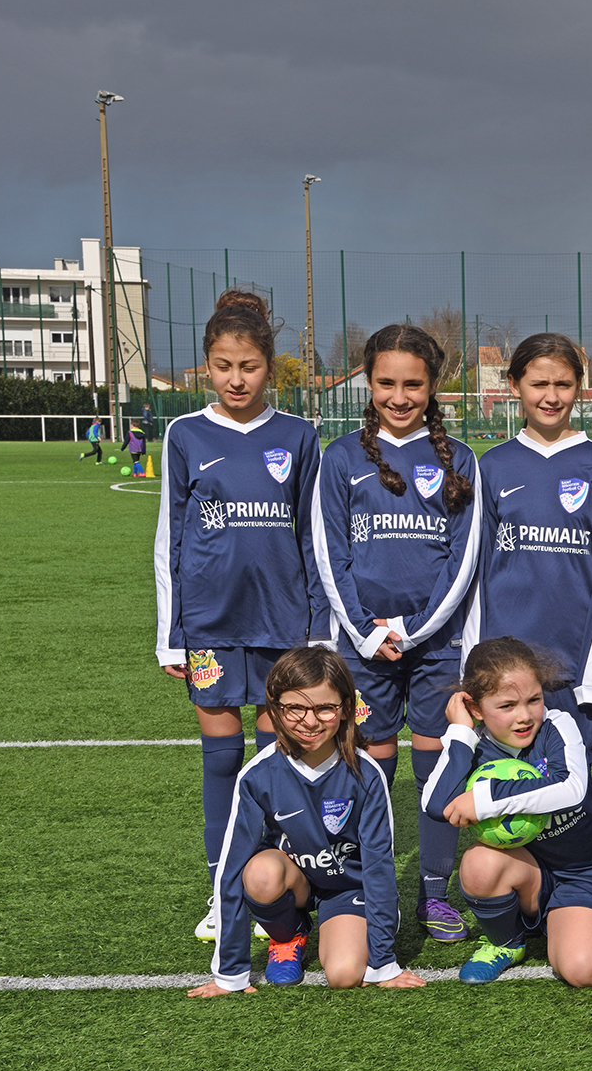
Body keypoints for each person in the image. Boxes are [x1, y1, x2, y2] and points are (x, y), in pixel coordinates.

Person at [154, 289, 323, 942]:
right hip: (210, 623)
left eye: (248, 366)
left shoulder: (298, 436)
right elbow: (170, 536)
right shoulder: (185, 434)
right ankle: (221, 887)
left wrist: (317, 632)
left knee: (272, 758)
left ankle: (270, 879)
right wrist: (170, 634)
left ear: (269, 367)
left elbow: (312, 540)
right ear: (206, 364)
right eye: (223, 365)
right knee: (220, 757)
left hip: (282, 623)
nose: (235, 378)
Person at [313, 324, 481, 944]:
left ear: (434, 386)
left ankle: (435, 893)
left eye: (414, 383)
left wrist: (415, 630)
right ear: (368, 381)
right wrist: (361, 631)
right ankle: (366, 885)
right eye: (387, 382)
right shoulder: (339, 458)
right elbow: (328, 553)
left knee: (438, 770)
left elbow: (464, 560)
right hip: (363, 646)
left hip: (437, 643)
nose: (400, 395)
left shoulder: (459, 459)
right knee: (372, 766)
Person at [189, 647, 427, 997]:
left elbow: (378, 868)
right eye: (295, 708)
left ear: (346, 708)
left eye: (324, 708)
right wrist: (230, 974)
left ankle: (340, 929)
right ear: (275, 709)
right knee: (259, 873)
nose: (310, 721)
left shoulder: (365, 775)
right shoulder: (257, 776)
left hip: (348, 888)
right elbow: (231, 870)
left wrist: (384, 963)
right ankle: (288, 935)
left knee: (345, 974)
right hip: (293, 879)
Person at [419, 637, 592, 987]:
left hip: (583, 873)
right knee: (479, 863)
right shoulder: (473, 745)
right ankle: (506, 943)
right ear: (475, 707)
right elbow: (435, 805)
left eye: (533, 700)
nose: (524, 716)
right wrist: (460, 734)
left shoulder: (557, 727)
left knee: (582, 971)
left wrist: (485, 799)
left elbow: (571, 788)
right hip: (525, 873)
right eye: (506, 706)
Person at [465, 333, 592, 764]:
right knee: (506, 796)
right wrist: (472, 662)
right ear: (514, 385)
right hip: (503, 658)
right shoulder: (494, 465)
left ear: (579, 385)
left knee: (572, 797)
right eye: (539, 384)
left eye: (564, 385)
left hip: (572, 662)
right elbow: (475, 573)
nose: (551, 397)